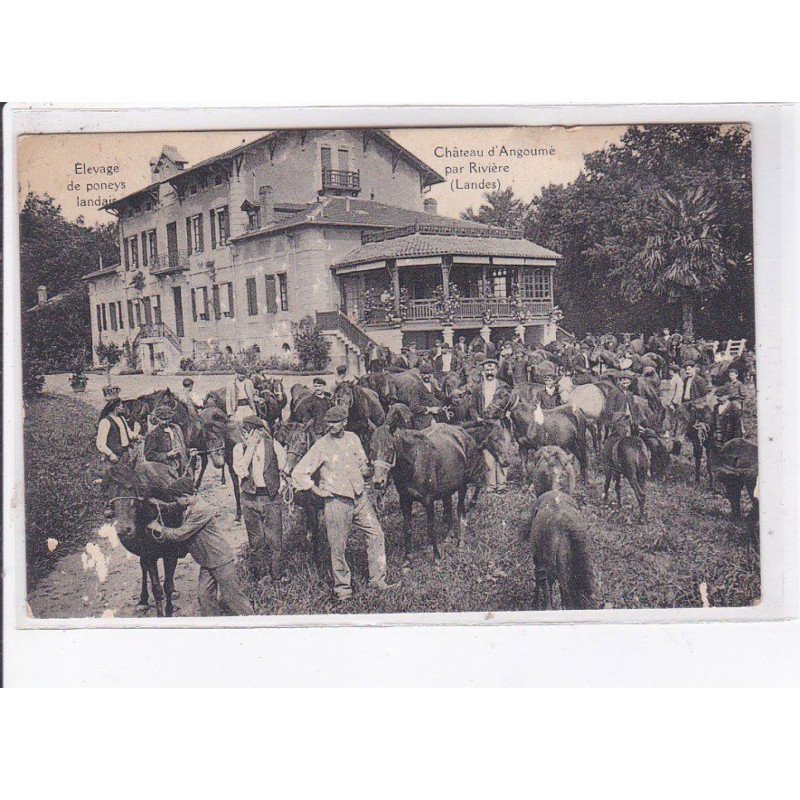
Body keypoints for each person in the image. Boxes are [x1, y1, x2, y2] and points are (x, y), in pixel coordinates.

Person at [291, 405, 400, 602]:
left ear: (344, 422)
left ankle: (378, 580)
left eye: (335, 422)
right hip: (337, 501)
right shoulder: (322, 445)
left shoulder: (353, 438)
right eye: (328, 423)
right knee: (338, 547)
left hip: (360, 498)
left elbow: (362, 464)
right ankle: (343, 589)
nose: (331, 426)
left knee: (376, 535)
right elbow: (299, 472)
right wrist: (317, 490)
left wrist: (370, 470)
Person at [146, 478, 253, 616]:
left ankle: (254, 625)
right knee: (205, 597)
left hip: (220, 561)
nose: (176, 501)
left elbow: (179, 534)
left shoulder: (201, 510)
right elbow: (175, 506)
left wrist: (159, 528)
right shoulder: (190, 504)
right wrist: (160, 504)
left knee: (234, 599)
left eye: (177, 498)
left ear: (185, 497)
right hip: (207, 562)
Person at [232, 416, 288, 582]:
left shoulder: (274, 446)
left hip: (270, 498)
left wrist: (281, 484)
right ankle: (262, 574)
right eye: (245, 432)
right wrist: (249, 449)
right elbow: (241, 470)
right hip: (249, 499)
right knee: (256, 540)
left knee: (275, 538)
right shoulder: (239, 449)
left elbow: (283, 466)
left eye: (249, 431)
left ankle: (278, 574)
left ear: (259, 431)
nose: (246, 435)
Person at [466, 358, 512, 493]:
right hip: (484, 425)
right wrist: (477, 417)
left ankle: (502, 485)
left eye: (492, 370)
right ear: (483, 371)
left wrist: (507, 413)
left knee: (502, 452)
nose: (490, 372)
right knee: (488, 456)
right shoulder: (478, 388)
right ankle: (491, 485)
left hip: (500, 423)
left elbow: (510, 402)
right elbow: (472, 406)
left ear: (496, 370)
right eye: (487, 370)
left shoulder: (503, 386)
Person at [143, 406, 187, 477]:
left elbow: (181, 447)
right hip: (163, 472)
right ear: (157, 418)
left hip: (180, 467)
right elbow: (148, 455)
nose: (164, 422)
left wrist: (189, 451)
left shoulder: (176, 429)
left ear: (171, 418)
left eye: (167, 419)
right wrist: (167, 455)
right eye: (161, 419)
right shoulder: (153, 434)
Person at [96, 398, 140, 464]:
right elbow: (100, 443)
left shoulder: (121, 418)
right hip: (114, 455)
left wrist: (136, 436)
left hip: (125, 452)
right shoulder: (105, 421)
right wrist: (110, 454)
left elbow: (128, 432)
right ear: (115, 408)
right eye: (121, 406)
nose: (123, 408)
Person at [408, 364, 448, 429]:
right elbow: (413, 407)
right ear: (420, 375)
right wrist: (430, 409)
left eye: (428, 374)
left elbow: (442, 396)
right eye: (424, 374)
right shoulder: (417, 387)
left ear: (431, 374)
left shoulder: (432, 385)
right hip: (421, 418)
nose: (426, 376)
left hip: (434, 415)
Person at [716, 366, 746, 441]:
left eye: (732, 375)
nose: (731, 377)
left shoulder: (739, 384)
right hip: (727, 400)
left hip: (736, 400)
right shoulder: (727, 383)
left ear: (736, 375)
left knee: (736, 411)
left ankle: (741, 428)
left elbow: (743, 395)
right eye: (730, 375)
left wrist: (735, 396)